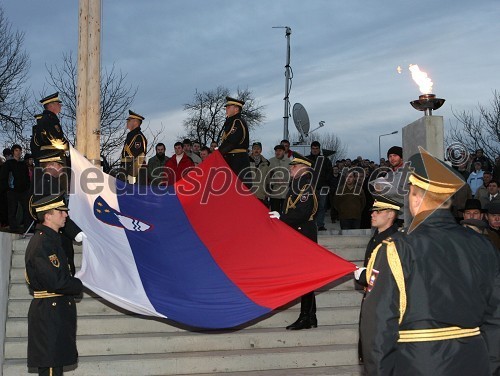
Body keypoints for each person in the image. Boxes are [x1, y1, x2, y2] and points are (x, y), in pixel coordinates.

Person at [360, 149, 500, 375]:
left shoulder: (395, 249)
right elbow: (496, 319)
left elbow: (378, 327)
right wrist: (490, 366)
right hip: (475, 361)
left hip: (417, 363)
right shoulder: (484, 246)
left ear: (415, 198)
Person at [25, 193, 83, 376]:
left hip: (55, 313)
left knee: (55, 365)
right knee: (51, 368)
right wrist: (80, 284)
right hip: (49, 315)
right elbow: (56, 281)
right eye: (61, 211)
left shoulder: (51, 240)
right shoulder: (42, 243)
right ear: (48, 215)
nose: (65, 215)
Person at [270, 152, 318, 330]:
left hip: (304, 232)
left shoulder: (305, 185)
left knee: (305, 276)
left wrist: (282, 217)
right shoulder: (298, 183)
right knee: (305, 276)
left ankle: (306, 316)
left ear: (304, 168)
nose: (291, 168)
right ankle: (310, 316)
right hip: (298, 232)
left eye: (294, 166)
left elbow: (303, 212)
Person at [31, 149, 84, 275]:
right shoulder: (48, 184)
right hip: (56, 233)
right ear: (50, 166)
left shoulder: (49, 183)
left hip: (56, 231)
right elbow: (57, 211)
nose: (62, 167)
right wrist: (75, 233)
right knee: (63, 268)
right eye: (59, 164)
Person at [218, 97, 250, 185]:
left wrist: (218, 154)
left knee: (238, 188)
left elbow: (231, 142)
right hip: (233, 159)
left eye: (229, 107)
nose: (226, 109)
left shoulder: (237, 122)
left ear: (236, 109)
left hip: (238, 161)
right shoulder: (232, 122)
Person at [0, 144, 31, 233]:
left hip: (23, 191)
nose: (18, 152)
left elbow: (27, 176)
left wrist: (27, 187)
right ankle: (13, 227)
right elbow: (4, 176)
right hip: (12, 190)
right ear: (13, 152)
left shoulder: (23, 164)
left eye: (20, 151)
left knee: (26, 209)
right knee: (12, 210)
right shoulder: (8, 163)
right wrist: (8, 188)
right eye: (16, 150)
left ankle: (27, 227)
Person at [32, 93, 69, 161]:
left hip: (51, 156)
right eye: (58, 103)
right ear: (51, 106)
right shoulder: (49, 120)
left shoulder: (48, 119)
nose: (60, 105)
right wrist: (69, 147)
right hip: (53, 158)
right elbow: (56, 141)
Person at [307, 141, 333, 231]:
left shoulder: (325, 160)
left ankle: (320, 224)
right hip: (310, 187)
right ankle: (310, 224)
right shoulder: (306, 159)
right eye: (313, 148)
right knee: (310, 206)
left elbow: (330, 173)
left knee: (321, 207)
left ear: (319, 149)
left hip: (322, 187)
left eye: (316, 148)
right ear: (311, 149)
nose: (315, 150)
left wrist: (326, 183)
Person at [120, 110, 147, 184]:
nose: (127, 122)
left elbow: (139, 159)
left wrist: (131, 176)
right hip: (126, 172)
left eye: (129, 120)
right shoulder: (131, 135)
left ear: (135, 122)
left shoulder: (138, 137)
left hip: (133, 175)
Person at [266, 144, 291, 213]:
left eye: (280, 150)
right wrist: (274, 181)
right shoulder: (270, 162)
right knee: (274, 213)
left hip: (285, 193)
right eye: (276, 151)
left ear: (284, 151)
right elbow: (267, 176)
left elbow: (291, 175)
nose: (277, 152)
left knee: (285, 213)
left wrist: (285, 181)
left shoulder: (289, 162)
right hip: (274, 193)